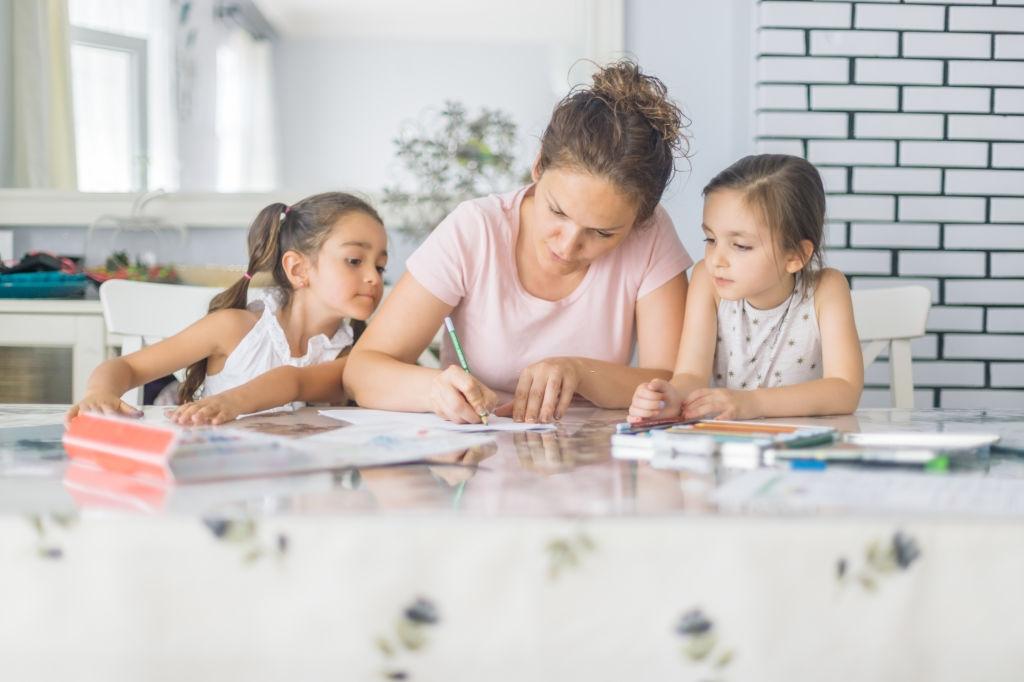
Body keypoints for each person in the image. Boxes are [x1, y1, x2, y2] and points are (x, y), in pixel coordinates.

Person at [345, 60, 693, 424]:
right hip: (478, 460)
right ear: (539, 165)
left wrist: (578, 372)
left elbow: (668, 381)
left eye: (602, 233)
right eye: (557, 212)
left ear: (639, 219)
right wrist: (433, 390)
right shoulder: (475, 230)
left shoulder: (651, 234)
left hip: (594, 463)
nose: (569, 245)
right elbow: (361, 373)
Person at [66, 192, 388, 425]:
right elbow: (127, 368)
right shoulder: (235, 328)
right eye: (355, 261)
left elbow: (296, 384)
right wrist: (100, 392)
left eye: (381, 266)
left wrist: (232, 403)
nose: (373, 277)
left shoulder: (354, 353)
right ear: (298, 269)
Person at [628, 154, 863, 422]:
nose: (716, 259)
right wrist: (671, 397)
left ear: (796, 255)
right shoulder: (706, 280)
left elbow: (844, 389)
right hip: (730, 447)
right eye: (711, 239)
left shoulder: (826, 290)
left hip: (797, 448)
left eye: (740, 246)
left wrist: (754, 403)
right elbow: (691, 375)